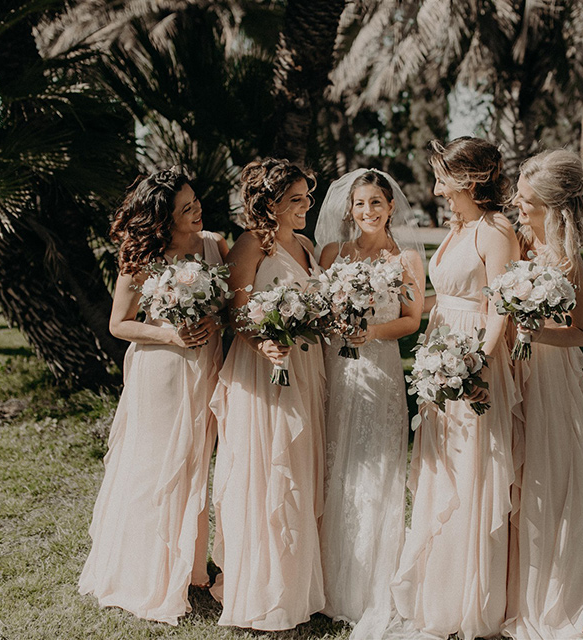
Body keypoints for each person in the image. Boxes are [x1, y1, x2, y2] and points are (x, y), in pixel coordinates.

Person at [78, 168, 228, 625]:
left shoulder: (214, 244)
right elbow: (119, 324)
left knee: (195, 462)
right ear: (163, 218)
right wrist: (170, 335)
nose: (196, 209)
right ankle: (143, 568)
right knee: (155, 465)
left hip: (207, 365)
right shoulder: (140, 255)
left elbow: (227, 302)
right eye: (185, 208)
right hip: (161, 371)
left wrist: (214, 323)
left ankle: (189, 564)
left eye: (195, 200)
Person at [389, 137, 521, 639]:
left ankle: (467, 598)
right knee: (441, 465)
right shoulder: (459, 226)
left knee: (472, 470)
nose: (436, 184)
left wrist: (475, 369)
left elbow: (500, 311)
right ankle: (434, 585)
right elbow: (438, 297)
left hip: (470, 363)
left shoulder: (495, 230)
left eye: (442, 174)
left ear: (469, 179)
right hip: (440, 354)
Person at [208, 157, 326, 631]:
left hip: (306, 366)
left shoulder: (305, 244)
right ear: (270, 203)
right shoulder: (250, 244)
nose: (306, 206)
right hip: (264, 369)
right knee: (267, 471)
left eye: (307, 198)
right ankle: (262, 588)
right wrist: (265, 342)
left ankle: (299, 584)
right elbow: (233, 315)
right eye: (296, 199)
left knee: (301, 469)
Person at [314, 169, 426, 637]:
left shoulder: (407, 259)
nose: (367, 212)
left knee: (375, 469)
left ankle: (369, 586)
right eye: (360, 204)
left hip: (381, 371)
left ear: (391, 207)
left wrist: (370, 332)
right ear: (349, 208)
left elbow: (412, 320)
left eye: (376, 203)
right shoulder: (331, 254)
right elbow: (316, 306)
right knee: (334, 464)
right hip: (337, 371)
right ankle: (321, 581)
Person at [503, 149, 583, 640]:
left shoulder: (569, 260)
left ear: (553, 205)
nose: (517, 207)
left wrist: (536, 334)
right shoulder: (517, 244)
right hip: (511, 370)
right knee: (514, 472)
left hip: (550, 376)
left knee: (550, 474)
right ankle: (510, 585)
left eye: (526, 202)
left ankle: (554, 588)